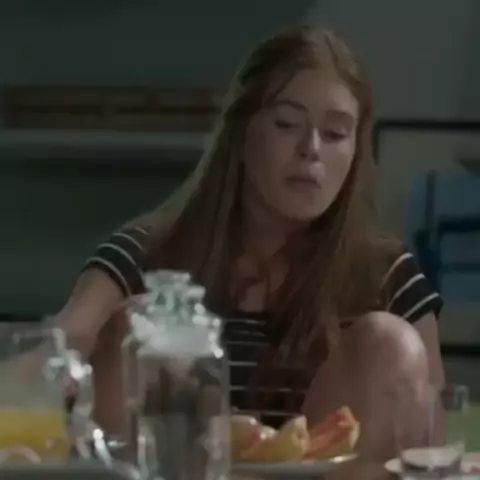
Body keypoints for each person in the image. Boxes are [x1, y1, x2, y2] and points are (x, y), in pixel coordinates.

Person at [55, 26, 444, 462]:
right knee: (137, 322)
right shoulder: (148, 250)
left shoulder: (388, 274)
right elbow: (62, 345)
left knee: (389, 343)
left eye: (335, 133)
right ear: (241, 132)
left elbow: (430, 446)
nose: (311, 149)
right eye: (287, 124)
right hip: (175, 469)